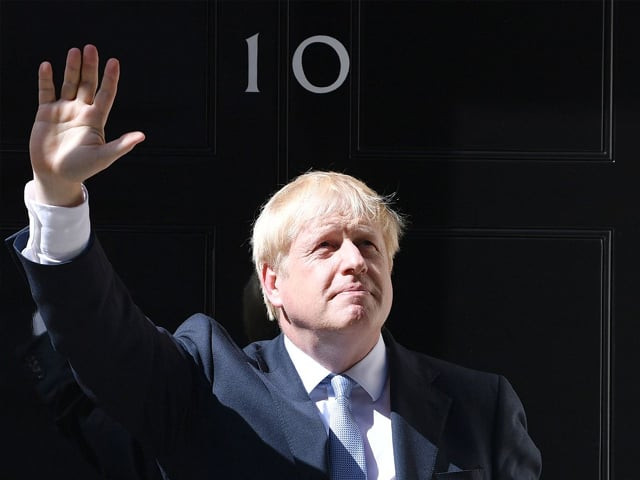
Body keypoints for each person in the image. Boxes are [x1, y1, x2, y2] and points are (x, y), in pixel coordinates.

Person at [9, 45, 541, 479]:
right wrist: (59, 195)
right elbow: (104, 342)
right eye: (326, 246)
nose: (355, 260)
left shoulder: (481, 406)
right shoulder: (207, 382)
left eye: (369, 244)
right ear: (272, 283)